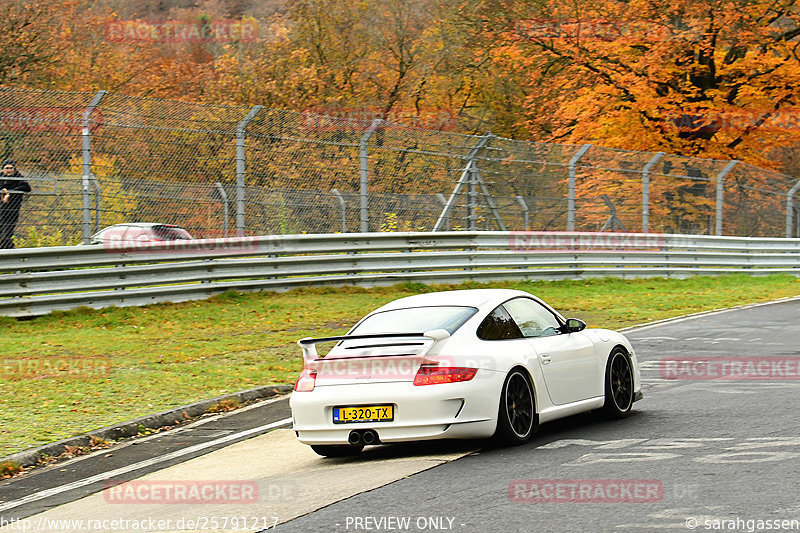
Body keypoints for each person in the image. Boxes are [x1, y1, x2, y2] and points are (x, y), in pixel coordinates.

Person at [0, 159, 32, 249]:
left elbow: (27, 187)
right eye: (7, 168)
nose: (9, 170)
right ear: (3, 169)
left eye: (11, 168)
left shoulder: (18, 177)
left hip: (11, 212)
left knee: (6, 235)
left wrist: (9, 194)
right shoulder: (1, 177)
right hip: (1, 209)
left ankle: (7, 251)